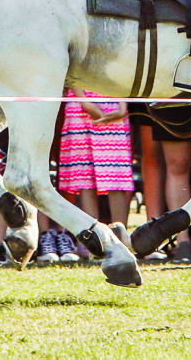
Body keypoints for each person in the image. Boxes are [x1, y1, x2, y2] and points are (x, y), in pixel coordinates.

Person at [57, 90, 133, 260]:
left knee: (116, 175)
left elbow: (123, 67)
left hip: (112, 99)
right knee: (85, 177)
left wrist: (122, 104)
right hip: (80, 103)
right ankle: (93, 243)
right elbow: (72, 68)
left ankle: (120, 243)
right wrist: (84, 102)